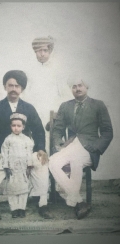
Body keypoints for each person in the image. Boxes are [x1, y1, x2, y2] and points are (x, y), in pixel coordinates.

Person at [0, 70, 52, 220]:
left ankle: (43, 203)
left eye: (17, 86)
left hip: (25, 152)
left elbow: (39, 131)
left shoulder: (29, 108)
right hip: (4, 152)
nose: (14, 89)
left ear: (22, 88)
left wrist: (40, 149)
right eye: (10, 85)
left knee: (42, 162)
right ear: (5, 86)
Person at [48, 77, 113, 219]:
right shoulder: (65, 106)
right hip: (70, 146)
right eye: (74, 86)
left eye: (80, 85)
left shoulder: (98, 105)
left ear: (86, 87)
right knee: (52, 161)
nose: (77, 88)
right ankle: (79, 201)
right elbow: (58, 130)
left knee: (75, 161)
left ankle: (74, 200)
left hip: (89, 148)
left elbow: (108, 132)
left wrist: (96, 148)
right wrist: (59, 145)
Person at [1, 113, 34, 218]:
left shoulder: (27, 140)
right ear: (10, 126)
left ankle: (22, 208)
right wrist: (6, 167)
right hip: (12, 169)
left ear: (23, 127)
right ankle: (14, 209)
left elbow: (29, 153)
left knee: (23, 189)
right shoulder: (8, 139)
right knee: (12, 189)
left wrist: (29, 166)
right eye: (13, 125)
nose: (16, 128)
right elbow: (4, 153)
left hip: (23, 168)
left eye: (19, 126)